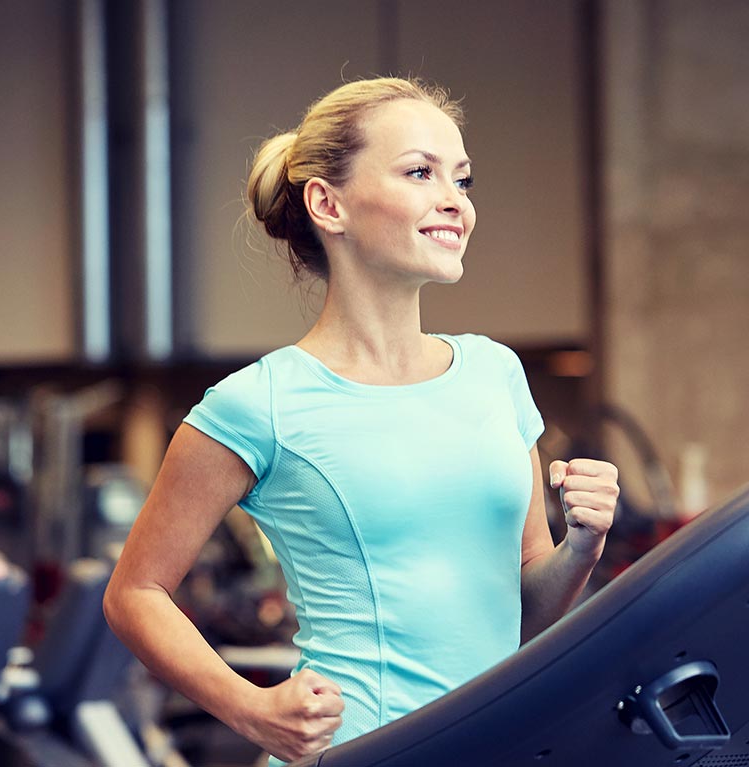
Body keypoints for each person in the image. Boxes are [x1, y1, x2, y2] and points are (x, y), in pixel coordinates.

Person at [103, 76, 619, 765]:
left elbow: (521, 616)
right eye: (419, 172)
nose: (453, 202)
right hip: (359, 749)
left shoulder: (496, 373)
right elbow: (135, 592)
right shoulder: (259, 403)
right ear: (328, 203)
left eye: (462, 181)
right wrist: (250, 708)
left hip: (498, 745)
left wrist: (582, 544)